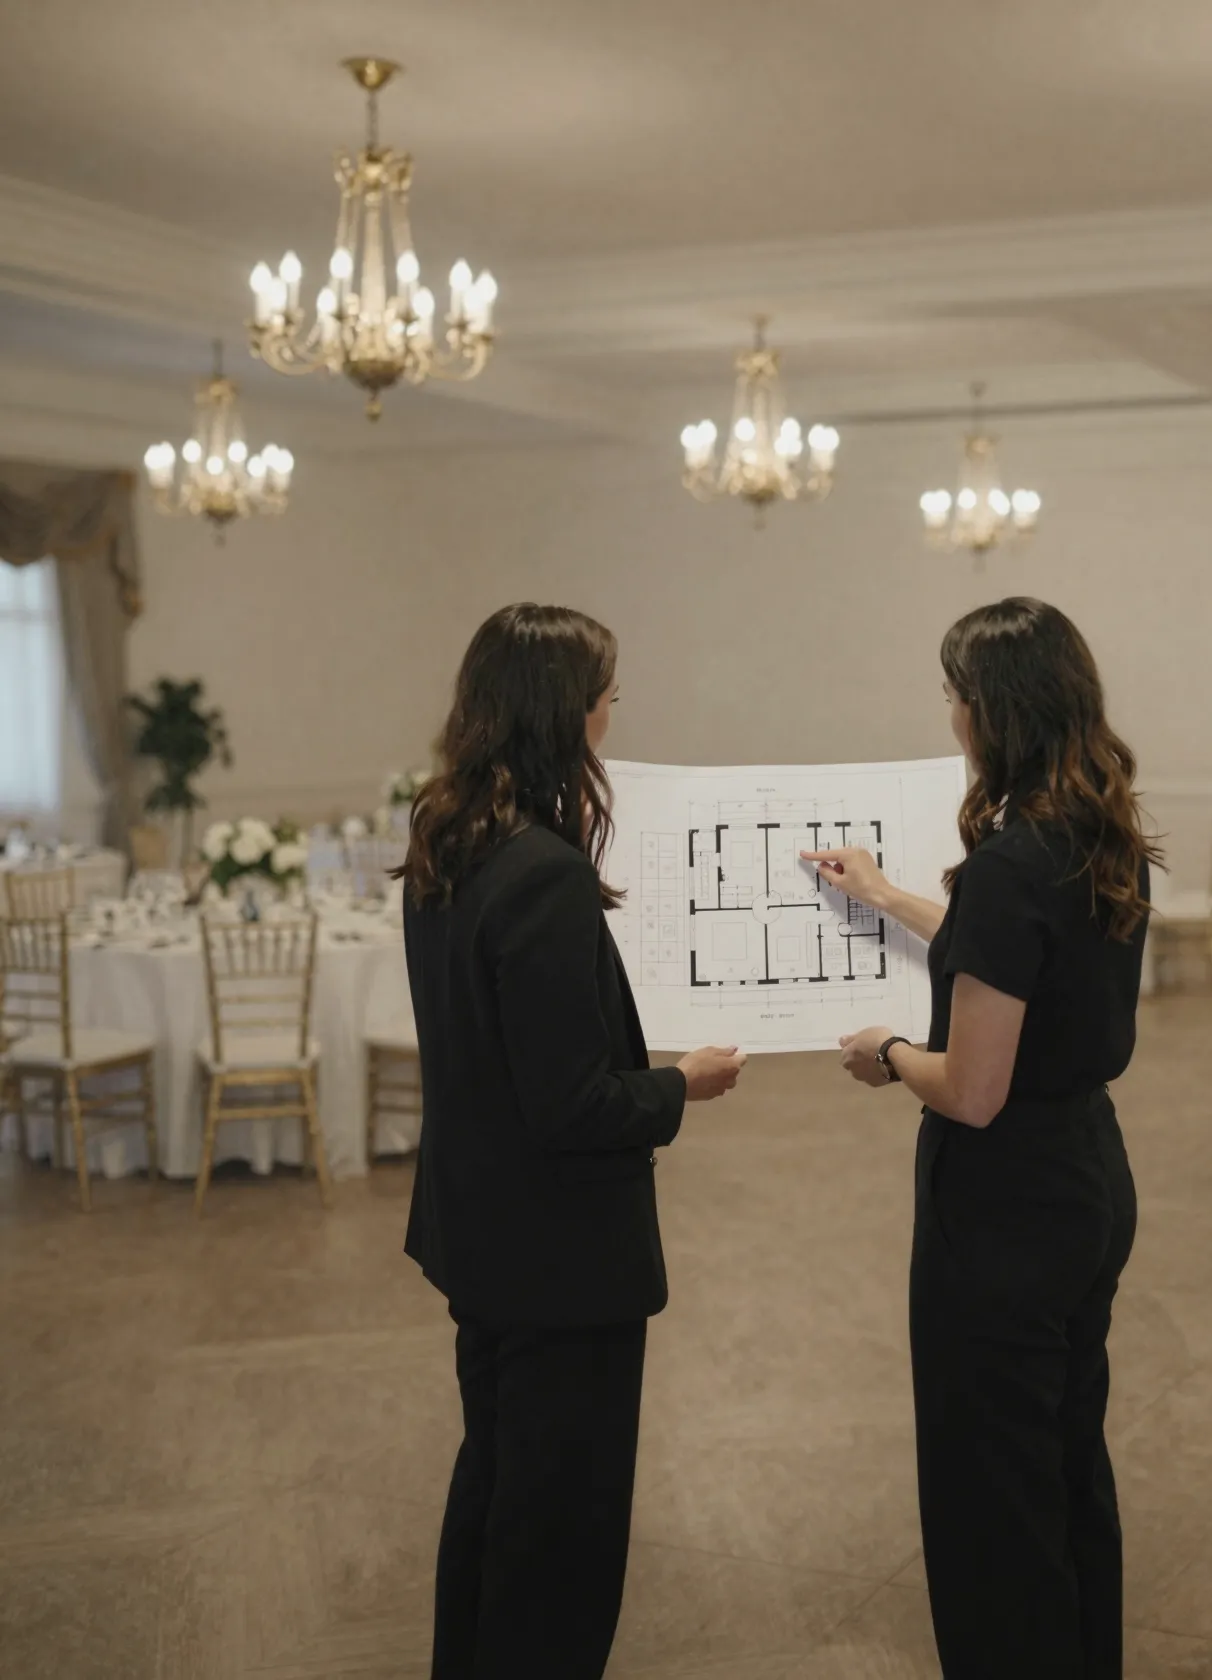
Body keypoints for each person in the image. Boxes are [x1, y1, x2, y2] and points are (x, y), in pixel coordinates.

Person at [805, 597, 1159, 1680]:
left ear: (993, 712)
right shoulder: (1097, 834)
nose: (950, 716)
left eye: (955, 696)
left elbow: (970, 1090)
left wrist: (886, 1052)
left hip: (1004, 1208)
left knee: (990, 1499)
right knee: (1062, 1462)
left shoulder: (1009, 865)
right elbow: (1006, 956)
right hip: (1085, 1178)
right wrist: (883, 895)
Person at [397, 602, 748, 1679]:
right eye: (605, 695)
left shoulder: (447, 837)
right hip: (559, 1258)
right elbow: (573, 1106)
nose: (612, 713)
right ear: (564, 713)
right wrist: (681, 1083)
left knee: (497, 1489)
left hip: (482, 1233)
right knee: (560, 1540)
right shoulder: (541, 870)